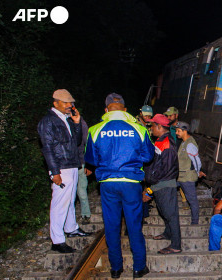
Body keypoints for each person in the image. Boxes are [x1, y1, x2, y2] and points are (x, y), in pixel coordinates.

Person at [84, 93, 154, 278]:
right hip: (131, 183)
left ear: (106, 110)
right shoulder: (139, 129)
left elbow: (90, 159)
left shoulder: (95, 130)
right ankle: (139, 267)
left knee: (112, 225)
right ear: (124, 109)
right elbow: (148, 156)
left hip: (108, 183)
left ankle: (116, 269)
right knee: (134, 225)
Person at [37, 89, 92, 254]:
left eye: (71, 103)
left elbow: (75, 142)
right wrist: (54, 171)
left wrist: (76, 123)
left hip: (72, 164)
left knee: (69, 200)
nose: (70, 106)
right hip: (61, 166)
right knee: (59, 203)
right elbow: (47, 148)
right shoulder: (48, 122)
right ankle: (57, 240)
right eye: (66, 103)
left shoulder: (65, 119)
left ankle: (71, 227)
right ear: (56, 103)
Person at [142, 114, 182, 254]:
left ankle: (176, 245)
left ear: (159, 127)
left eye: (153, 125)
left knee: (171, 215)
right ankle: (168, 233)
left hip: (164, 184)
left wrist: (151, 186)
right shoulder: (162, 141)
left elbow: (165, 168)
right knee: (164, 211)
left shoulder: (166, 143)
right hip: (160, 183)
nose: (151, 128)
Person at [175, 121, 206, 225]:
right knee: (168, 188)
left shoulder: (190, 144)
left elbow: (197, 161)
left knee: (192, 199)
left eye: (179, 131)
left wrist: (197, 172)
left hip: (187, 177)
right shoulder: (184, 142)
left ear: (185, 131)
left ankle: (195, 221)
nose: (176, 133)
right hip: (180, 176)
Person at [77, 116, 92, 224]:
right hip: (65, 165)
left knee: (81, 190)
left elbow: (88, 144)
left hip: (80, 162)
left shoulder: (81, 123)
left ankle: (86, 214)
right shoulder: (59, 122)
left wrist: (89, 165)